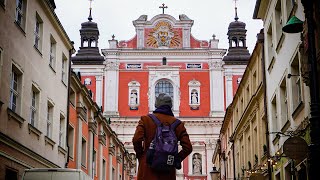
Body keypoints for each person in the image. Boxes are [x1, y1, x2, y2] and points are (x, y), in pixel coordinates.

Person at [132, 93, 192, 180]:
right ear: (170, 105)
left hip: (147, 168)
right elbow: (188, 148)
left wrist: (141, 156)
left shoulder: (146, 120)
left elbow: (137, 139)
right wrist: (175, 159)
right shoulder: (178, 124)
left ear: (157, 104)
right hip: (168, 170)